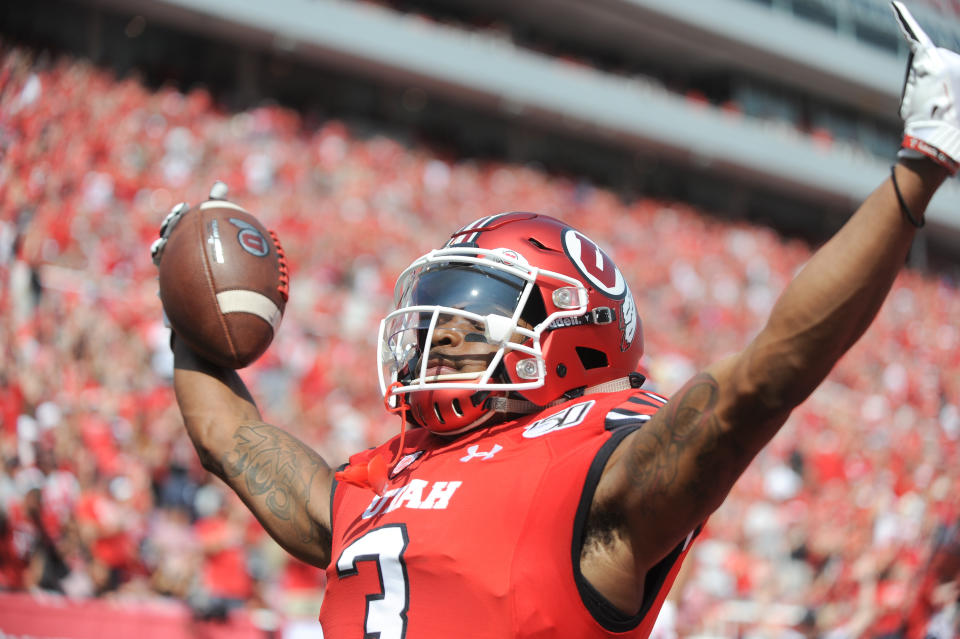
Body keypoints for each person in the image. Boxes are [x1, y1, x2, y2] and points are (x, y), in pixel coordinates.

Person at [153, 3, 960, 636]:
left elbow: (762, 382)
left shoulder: (595, 472)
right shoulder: (384, 475)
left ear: (570, 336)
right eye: (438, 312)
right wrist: (186, 305)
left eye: (474, 320)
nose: (434, 335)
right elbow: (231, 439)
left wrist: (916, 173)